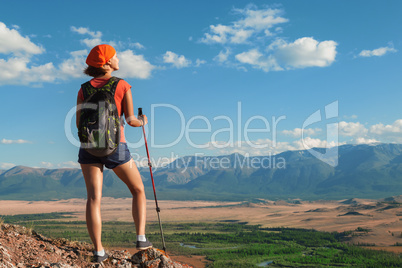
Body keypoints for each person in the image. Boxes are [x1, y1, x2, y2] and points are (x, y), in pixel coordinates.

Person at [76, 44, 152, 263]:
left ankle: (98, 252)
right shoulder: (122, 85)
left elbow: (79, 122)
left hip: (88, 147)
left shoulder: (84, 89)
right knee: (138, 189)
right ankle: (141, 238)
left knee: (93, 198)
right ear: (107, 62)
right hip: (115, 147)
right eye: (116, 56)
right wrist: (144, 120)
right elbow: (131, 120)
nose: (119, 59)